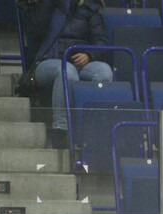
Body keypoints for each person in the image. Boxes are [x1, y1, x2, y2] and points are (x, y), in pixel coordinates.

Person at [19, 0, 114, 148]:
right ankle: (61, 128)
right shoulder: (44, 5)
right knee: (67, 72)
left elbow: (101, 41)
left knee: (104, 72)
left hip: (79, 62)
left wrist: (89, 55)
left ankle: (93, 129)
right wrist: (51, 5)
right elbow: (34, 29)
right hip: (47, 61)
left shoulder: (88, 9)